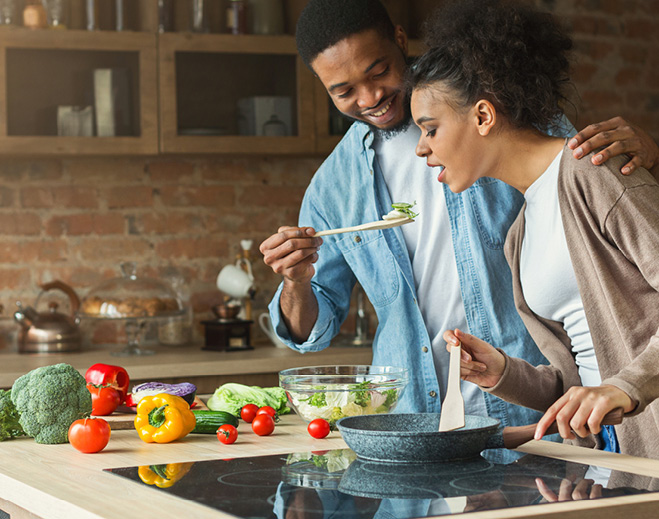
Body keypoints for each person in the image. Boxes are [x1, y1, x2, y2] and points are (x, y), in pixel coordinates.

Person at [258, 0, 659, 447]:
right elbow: (312, 331)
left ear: (400, 41)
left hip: (568, 416)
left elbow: (585, 175)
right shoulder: (334, 186)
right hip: (432, 418)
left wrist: (644, 158)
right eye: (343, 90)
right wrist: (295, 281)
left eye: (378, 71)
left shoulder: (520, 128)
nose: (369, 98)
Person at [409, 0, 659, 459]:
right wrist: (501, 372)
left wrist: (623, 387)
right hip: (610, 459)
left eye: (430, 129)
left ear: (482, 116)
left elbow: (615, 383)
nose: (421, 150)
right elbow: (577, 380)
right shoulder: (519, 233)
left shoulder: (595, 170)